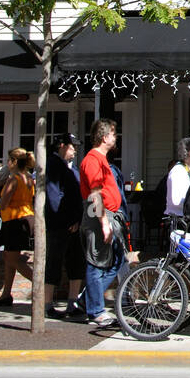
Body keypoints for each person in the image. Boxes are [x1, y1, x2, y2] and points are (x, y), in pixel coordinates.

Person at [80, 119, 126, 329]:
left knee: (116, 260)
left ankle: (89, 298)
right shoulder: (93, 160)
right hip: (98, 215)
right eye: (113, 134)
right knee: (96, 262)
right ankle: (96, 310)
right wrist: (104, 222)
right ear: (104, 136)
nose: (115, 138)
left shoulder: (102, 160)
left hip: (108, 215)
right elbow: (95, 193)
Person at [45, 133, 86, 320]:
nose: (75, 150)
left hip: (75, 224)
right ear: (61, 145)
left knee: (76, 262)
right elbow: (54, 197)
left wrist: (77, 220)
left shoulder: (71, 168)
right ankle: (47, 304)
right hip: (60, 225)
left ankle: (73, 302)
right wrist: (66, 221)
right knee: (54, 262)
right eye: (72, 146)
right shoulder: (53, 165)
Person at [0, 148, 36, 307]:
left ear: (14, 162)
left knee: (12, 258)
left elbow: (3, 203)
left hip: (14, 220)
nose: (7, 163)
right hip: (26, 218)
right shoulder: (29, 178)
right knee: (9, 257)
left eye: (9, 160)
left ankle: (39, 284)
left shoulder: (13, 179)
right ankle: (6, 294)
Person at [164, 137, 190, 220]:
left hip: (184, 218)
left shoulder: (187, 170)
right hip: (178, 220)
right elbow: (176, 200)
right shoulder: (178, 171)